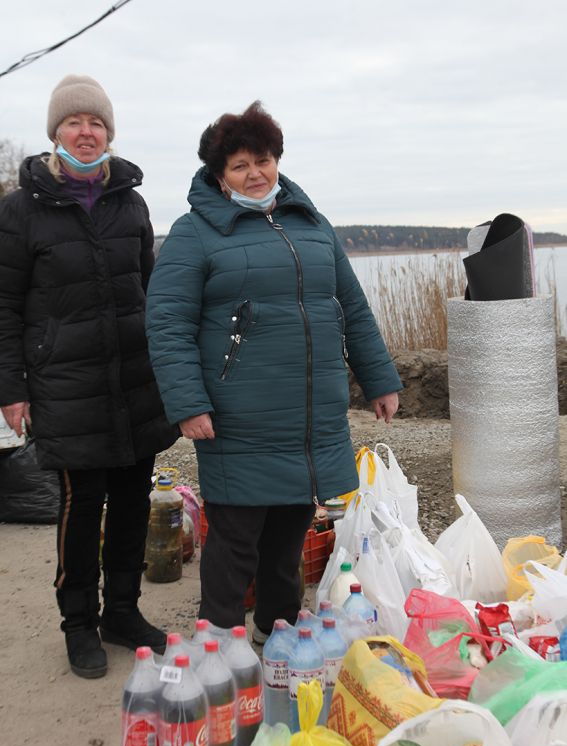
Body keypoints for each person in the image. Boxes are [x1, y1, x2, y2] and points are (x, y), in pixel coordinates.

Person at [146, 101, 401, 643]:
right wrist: (188, 403)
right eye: (239, 165)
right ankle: (216, 643)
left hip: (309, 415)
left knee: (288, 537)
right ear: (219, 175)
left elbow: (351, 306)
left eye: (263, 160)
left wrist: (379, 378)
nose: (254, 173)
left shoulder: (313, 226)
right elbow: (166, 322)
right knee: (235, 539)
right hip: (239, 414)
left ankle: (277, 635)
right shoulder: (193, 234)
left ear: (277, 161)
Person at [0, 75, 178, 678]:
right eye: (74, 122)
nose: (86, 132)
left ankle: (121, 613)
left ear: (109, 132)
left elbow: (152, 293)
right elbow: (3, 305)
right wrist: (12, 388)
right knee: (81, 508)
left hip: (133, 380)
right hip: (65, 383)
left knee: (131, 500)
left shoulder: (131, 201)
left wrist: (171, 369)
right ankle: (79, 624)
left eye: (96, 123)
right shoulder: (20, 209)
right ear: (56, 132)